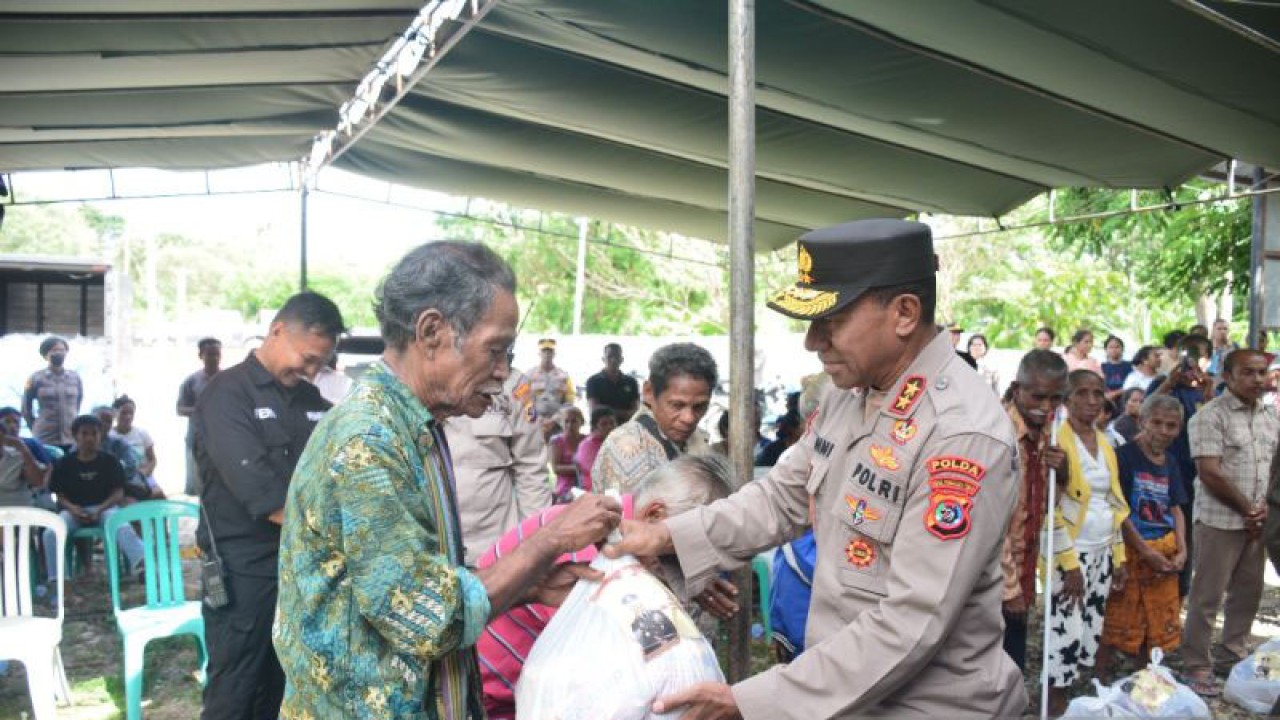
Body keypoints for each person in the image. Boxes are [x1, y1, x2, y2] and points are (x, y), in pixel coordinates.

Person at [608, 219, 1025, 718]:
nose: (812, 341)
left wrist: (750, 701)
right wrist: (666, 537)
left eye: (832, 320)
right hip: (846, 694)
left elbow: (911, 622)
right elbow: (781, 496)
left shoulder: (959, 435)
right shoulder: (850, 395)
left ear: (905, 314)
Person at [273, 241, 621, 720]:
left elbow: (420, 582)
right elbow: (427, 618)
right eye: (495, 350)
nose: (502, 372)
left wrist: (524, 585)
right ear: (432, 331)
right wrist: (549, 538)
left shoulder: (416, 426)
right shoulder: (369, 439)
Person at [476, 453, 735, 720]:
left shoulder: (607, 529)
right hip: (493, 694)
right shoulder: (591, 547)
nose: (690, 562)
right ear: (655, 515)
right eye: (687, 547)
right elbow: (592, 674)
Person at [194, 291, 345, 720]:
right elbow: (264, 496)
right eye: (307, 357)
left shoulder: (313, 402)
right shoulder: (226, 395)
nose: (312, 370)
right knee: (236, 688)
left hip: (301, 570)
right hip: (244, 572)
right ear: (277, 331)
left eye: (321, 363)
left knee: (285, 687)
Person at [1181, 348, 1278, 696]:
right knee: (1207, 596)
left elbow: (1273, 468)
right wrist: (1247, 508)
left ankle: (1231, 656)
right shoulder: (1210, 416)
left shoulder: (1269, 417)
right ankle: (1197, 663)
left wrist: (1263, 507)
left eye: (1261, 372)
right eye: (1248, 373)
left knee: (1248, 595)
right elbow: (1209, 472)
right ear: (1228, 376)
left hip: (1256, 521)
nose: (1257, 379)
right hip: (1219, 519)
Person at [1044, 370, 1130, 715]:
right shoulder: (1057, 441)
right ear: (1066, 399)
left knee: (1089, 628)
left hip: (1102, 550)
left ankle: (1072, 699)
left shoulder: (1106, 442)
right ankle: (1054, 702)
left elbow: (1113, 501)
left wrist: (1119, 556)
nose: (1092, 401)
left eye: (1098, 393)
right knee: (1063, 630)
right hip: (1071, 552)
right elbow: (1050, 510)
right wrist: (1069, 565)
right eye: (1082, 393)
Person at [1096, 394, 1188, 678]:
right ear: (1142, 421)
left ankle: (1142, 682)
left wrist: (1182, 548)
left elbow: (1175, 506)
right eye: (1156, 423)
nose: (1163, 431)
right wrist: (1145, 551)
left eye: (1171, 426)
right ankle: (1098, 680)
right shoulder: (1123, 457)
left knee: (1157, 623)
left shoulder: (1171, 462)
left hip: (1165, 548)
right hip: (1132, 550)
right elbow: (1119, 510)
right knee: (1117, 619)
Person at [999, 349, 1069, 671]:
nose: (1047, 407)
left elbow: (1044, 506)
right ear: (1017, 389)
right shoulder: (998, 434)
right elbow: (989, 522)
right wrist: (1009, 587)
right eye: (1038, 397)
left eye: (1056, 399)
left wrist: (1062, 473)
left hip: (1024, 565)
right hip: (994, 577)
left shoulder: (1047, 433)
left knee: (1012, 661)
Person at [446, 368, 551, 564]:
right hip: (436, 548)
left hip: (497, 547)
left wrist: (535, 548)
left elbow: (531, 469)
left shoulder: (515, 384)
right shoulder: (419, 377)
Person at [591, 342, 716, 495]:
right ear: (649, 392)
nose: (689, 418)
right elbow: (633, 518)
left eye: (699, 407)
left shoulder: (694, 440)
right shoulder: (628, 448)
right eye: (677, 405)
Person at [42, 415, 147, 593]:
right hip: (74, 511)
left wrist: (100, 508)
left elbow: (118, 492)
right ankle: (59, 582)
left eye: (94, 433)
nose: (89, 438)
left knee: (119, 524)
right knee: (51, 533)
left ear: (101, 436)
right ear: (75, 436)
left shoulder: (110, 461)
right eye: (84, 433)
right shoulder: (65, 463)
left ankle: (142, 565)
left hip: (105, 507)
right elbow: (59, 495)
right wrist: (73, 508)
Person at [22, 336, 83, 451]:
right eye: (54, 350)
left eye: (62, 350)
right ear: (46, 354)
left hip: (70, 436)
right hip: (45, 436)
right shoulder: (36, 378)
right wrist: (34, 427)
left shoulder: (75, 378)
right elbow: (26, 408)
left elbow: (77, 404)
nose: (59, 353)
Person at [177, 337, 222, 496]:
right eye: (210, 354)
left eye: (217, 354)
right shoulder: (191, 381)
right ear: (200, 355)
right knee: (199, 485)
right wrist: (200, 410)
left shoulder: (229, 379)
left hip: (223, 438)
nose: (214, 358)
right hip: (197, 439)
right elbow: (180, 409)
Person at [110, 395, 163, 499]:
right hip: (122, 479)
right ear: (115, 413)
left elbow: (152, 459)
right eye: (124, 413)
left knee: (158, 495)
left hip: (144, 475)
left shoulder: (142, 433)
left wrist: (145, 472)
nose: (128, 416)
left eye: (131, 413)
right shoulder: (110, 437)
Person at [0, 406, 48, 508]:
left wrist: (21, 447)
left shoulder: (18, 455)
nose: (13, 426)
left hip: (18, 511)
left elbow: (38, 481)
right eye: (8, 422)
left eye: (16, 422)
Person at [585, 342, 640, 424]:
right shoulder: (593, 381)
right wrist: (625, 413)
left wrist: (607, 410)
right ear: (603, 359)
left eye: (617, 356)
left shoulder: (631, 382)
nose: (613, 360)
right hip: (601, 430)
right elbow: (594, 410)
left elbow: (636, 412)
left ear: (622, 359)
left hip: (626, 429)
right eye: (610, 356)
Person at [527, 338, 576, 422]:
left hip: (557, 423)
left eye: (550, 351)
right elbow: (523, 400)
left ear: (554, 354)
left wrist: (555, 420)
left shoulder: (564, 376)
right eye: (544, 351)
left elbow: (570, 400)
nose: (547, 354)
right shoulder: (528, 375)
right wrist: (534, 419)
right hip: (534, 422)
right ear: (539, 353)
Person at [573, 407, 616, 493]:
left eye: (612, 423)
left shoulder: (617, 441)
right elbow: (596, 471)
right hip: (595, 491)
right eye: (604, 424)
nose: (609, 427)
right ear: (594, 427)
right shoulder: (587, 446)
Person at [548, 406, 585, 503]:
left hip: (585, 485)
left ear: (581, 422)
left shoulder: (587, 440)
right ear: (561, 423)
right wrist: (579, 469)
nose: (569, 425)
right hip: (565, 488)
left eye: (574, 421)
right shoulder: (556, 441)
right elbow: (555, 468)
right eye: (566, 421)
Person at [1100, 335, 1132, 401]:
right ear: (1106, 350)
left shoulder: (1129, 366)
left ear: (1122, 349)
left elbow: (1131, 385)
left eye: (1117, 347)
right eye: (1111, 347)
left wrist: (1114, 393)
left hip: (1125, 399)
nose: (1114, 350)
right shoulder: (1101, 367)